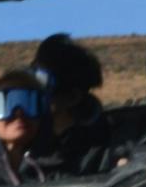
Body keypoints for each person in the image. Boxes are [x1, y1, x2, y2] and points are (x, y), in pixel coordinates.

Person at [33, 33, 113, 173]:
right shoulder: (22, 137)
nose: (32, 89)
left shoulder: (103, 151)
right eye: (31, 75)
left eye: (42, 81)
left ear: (73, 97)